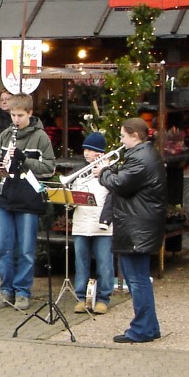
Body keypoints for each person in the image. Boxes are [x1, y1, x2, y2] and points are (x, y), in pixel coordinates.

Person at [95, 118, 166, 343]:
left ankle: (142, 330)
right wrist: (111, 168)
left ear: (135, 136)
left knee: (136, 280)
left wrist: (103, 172)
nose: (121, 141)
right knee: (138, 278)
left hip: (137, 227)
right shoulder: (142, 155)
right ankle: (150, 327)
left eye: (123, 136)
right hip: (137, 225)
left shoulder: (142, 158)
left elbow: (120, 184)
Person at [0, 92, 55, 311]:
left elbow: (49, 168)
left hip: (28, 197)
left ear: (30, 113)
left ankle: (23, 291)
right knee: (3, 248)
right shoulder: (5, 135)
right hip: (5, 195)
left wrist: (25, 160)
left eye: (19, 115)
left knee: (26, 249)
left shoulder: (41, 137)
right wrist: (1, 163)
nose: (15, 120)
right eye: (12, 115)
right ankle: (6, 289)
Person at [70, 131, 114, 315]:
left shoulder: (110, 172)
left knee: (104, 263)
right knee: (81, 262)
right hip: (81, 223)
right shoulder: (79, 172)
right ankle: (81, 297)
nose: (86, 153)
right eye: (85, 149)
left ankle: (104, 298)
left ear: (100, 152)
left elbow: (113, 197)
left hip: (102, 225)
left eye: (90, 150)